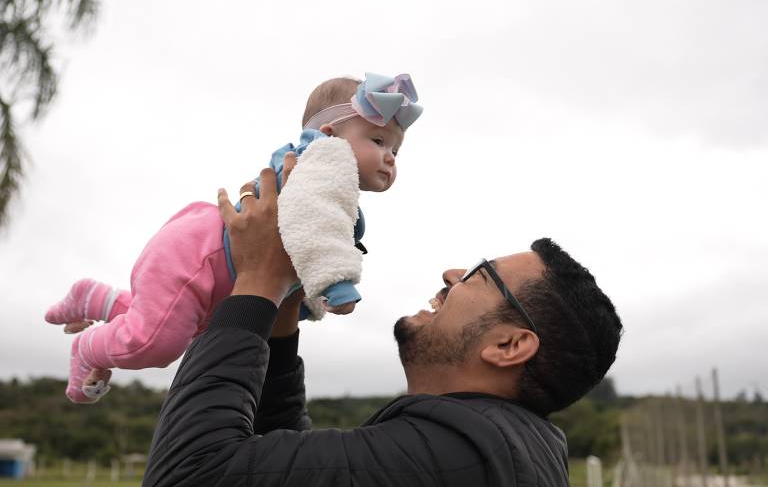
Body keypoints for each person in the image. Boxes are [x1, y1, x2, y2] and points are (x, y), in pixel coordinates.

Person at [141, 167, 624, 486]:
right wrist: (286, 298)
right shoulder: (497, 447)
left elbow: (190, 473)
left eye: (481, 274)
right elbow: (284, 461)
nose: (452, 274)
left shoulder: (459, 453)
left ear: (510, 344)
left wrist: (257, 280)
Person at [44, 73, 423, 403]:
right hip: (196, 256)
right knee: (156, 343)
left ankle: (92, 297)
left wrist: (305, 300)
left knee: (170, 322)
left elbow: (307, 245)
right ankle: (88, 349)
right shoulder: (316, 163)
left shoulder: (340, 198)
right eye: (377, 141)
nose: (389, 157)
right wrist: (336, 285)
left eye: (395, 149)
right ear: (328, 135)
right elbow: (317, 227)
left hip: (212, 266)